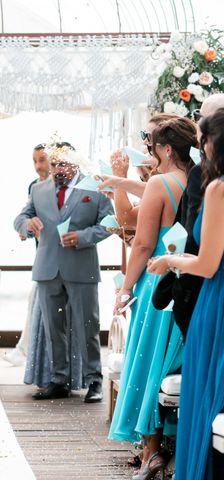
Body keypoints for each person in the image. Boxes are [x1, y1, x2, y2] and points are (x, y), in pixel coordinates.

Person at [109, 116, 197, 479]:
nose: (152, 154)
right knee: (175, 366)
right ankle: (178, 449)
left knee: (147, 365)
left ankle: (150, 453)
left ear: (167, 149)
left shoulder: (161, 183)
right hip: (192, 282)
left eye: (154, 147)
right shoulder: (201, 181)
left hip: (158, 287)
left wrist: (126, 288)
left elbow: (143, 243)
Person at [147, 108, 224, 480]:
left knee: (208, 393)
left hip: (218, 298)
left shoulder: (218, 188)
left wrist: (170, 260)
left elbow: (208, 264)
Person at [14, 142, 113, 402]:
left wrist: (82, 236)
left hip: (82, 268)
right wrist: (27, 224)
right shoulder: (38, 190)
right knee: (53, 327)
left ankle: (94, 381)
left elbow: (109, 224)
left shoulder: (95, 188)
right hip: (47, 269)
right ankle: (59, 380)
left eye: (63, 163)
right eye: (54, 163)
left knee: (88, 326)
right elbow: (20, 219)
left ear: (76, 162)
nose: (58, 169)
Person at [4, 143, 50, 367]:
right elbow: (26, 218)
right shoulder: (34, 186)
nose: (38, 166)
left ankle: (28, 352)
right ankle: (27, 351)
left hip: (64, 260)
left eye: (42, 159)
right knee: (36, 302)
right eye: (35, 160)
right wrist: (27, 230)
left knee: (37, 302)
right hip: (42, 258)